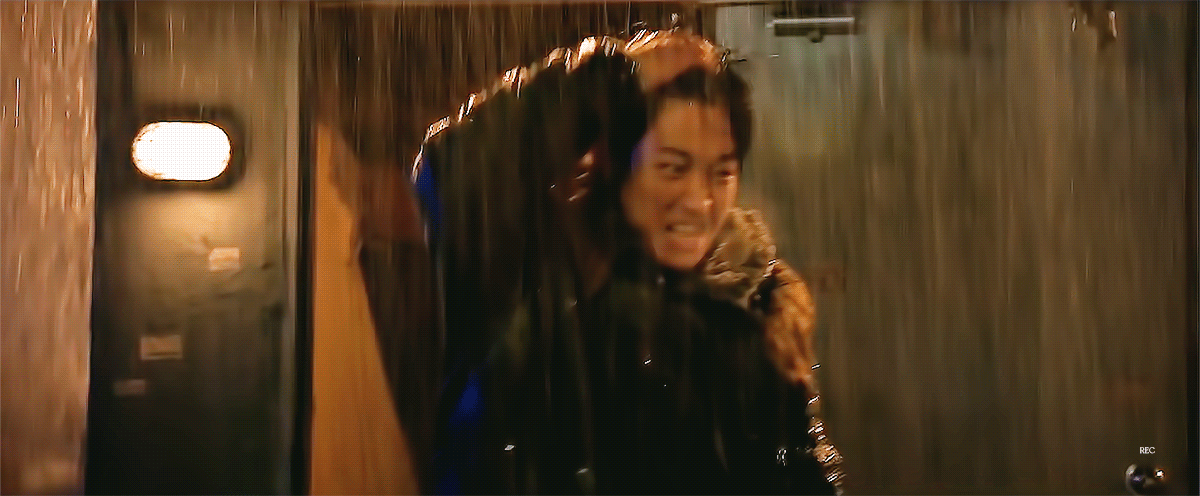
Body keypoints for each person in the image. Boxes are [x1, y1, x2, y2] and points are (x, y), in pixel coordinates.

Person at [413, 31, 843, 495]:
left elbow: (801, 471)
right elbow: (449, 170)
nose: (699, 202)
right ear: (616, 165)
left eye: (721, 173)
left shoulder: (753, 297)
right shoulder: (543, 268)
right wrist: (608, 75)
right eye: (673, 167)